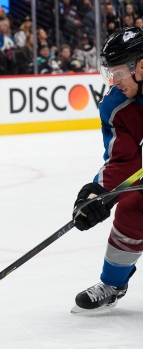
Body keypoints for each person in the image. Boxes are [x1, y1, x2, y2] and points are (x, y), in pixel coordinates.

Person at [70, 27, 143, 314]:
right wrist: (98, 193)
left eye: (119, 73)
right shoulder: (116, 104)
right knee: (133, 205)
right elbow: (122, 159)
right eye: (109, 73)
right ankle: (113, 284)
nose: (114, 81)